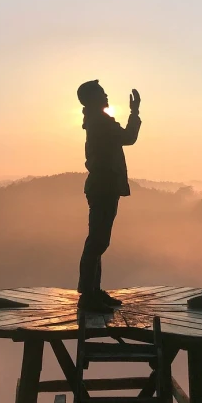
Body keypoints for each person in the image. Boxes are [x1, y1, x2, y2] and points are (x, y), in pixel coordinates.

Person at [76, 80, 141, 312]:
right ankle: (88, 295)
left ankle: (93, 291)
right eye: (102, 93)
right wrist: (135, 112)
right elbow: (129, 137)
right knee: (97, 241)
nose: (106, 96)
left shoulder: (96, 121)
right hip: (103, 187)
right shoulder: (100, 122)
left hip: (102, 186)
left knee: (98, 240)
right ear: (93, 99)